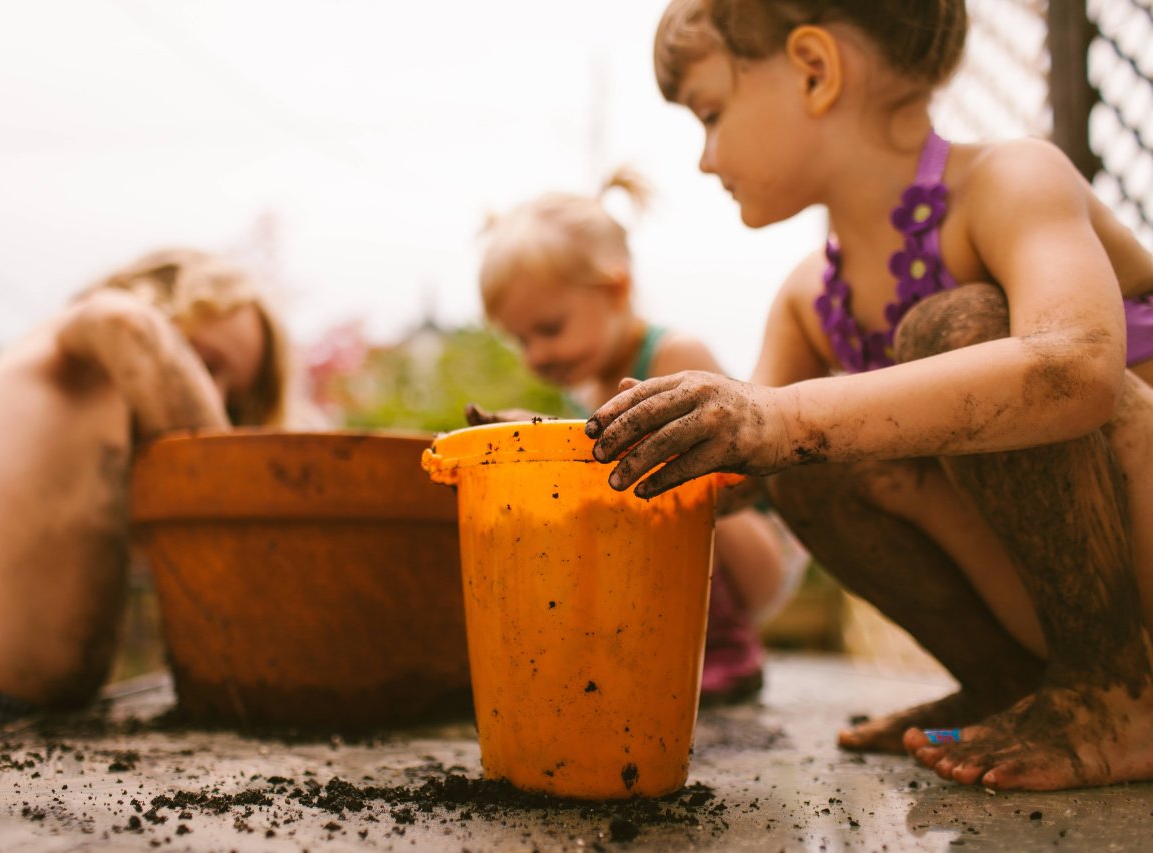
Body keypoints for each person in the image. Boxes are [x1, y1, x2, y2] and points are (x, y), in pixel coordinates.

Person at [587, 0, 1153, 791]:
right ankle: (1011, 684)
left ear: (815, 70)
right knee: (793, 451)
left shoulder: (1010, 180)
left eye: (711, 114)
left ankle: (1114, 696)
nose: (705, 160)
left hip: (1138, 566)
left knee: (955, 328)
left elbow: (1081, 367)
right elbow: (738, 465)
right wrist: (568, 455)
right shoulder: (810, 296)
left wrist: (783, 413)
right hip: (1048, 602)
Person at [0, 248, 288, 771]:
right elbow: (124, 322)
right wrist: (230, 487)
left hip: (30, 723)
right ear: (161, 308)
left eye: (232, 394)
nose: (213, 395)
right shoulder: (74, 347)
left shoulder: (101, 438)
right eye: (205, 365)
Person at [467, 169, 801, 704]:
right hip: (684, 548)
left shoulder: (675, 357)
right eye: (520, 340)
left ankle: (728, 652)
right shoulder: (588, 383)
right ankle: (650, 648)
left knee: (672, 494)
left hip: (744, 545)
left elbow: (720, 480)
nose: (537, 355)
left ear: (616, 289)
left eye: (549, 329)